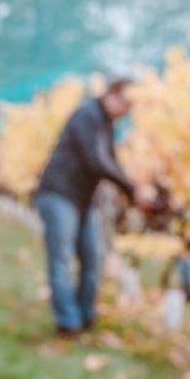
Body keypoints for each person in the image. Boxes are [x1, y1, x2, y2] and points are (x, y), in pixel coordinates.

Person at [33, 79, 137, 336]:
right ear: (111, 95)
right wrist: (129, 187)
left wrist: (131, 188)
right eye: (125, 103)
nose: (126, 110)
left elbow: (111, 160)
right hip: (59, 193)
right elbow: (97, 160)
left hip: (83, 199)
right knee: (63, 259)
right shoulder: (87, 115)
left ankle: (85, 314)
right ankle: (68, 323)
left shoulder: (107, 125)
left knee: (93, 258)